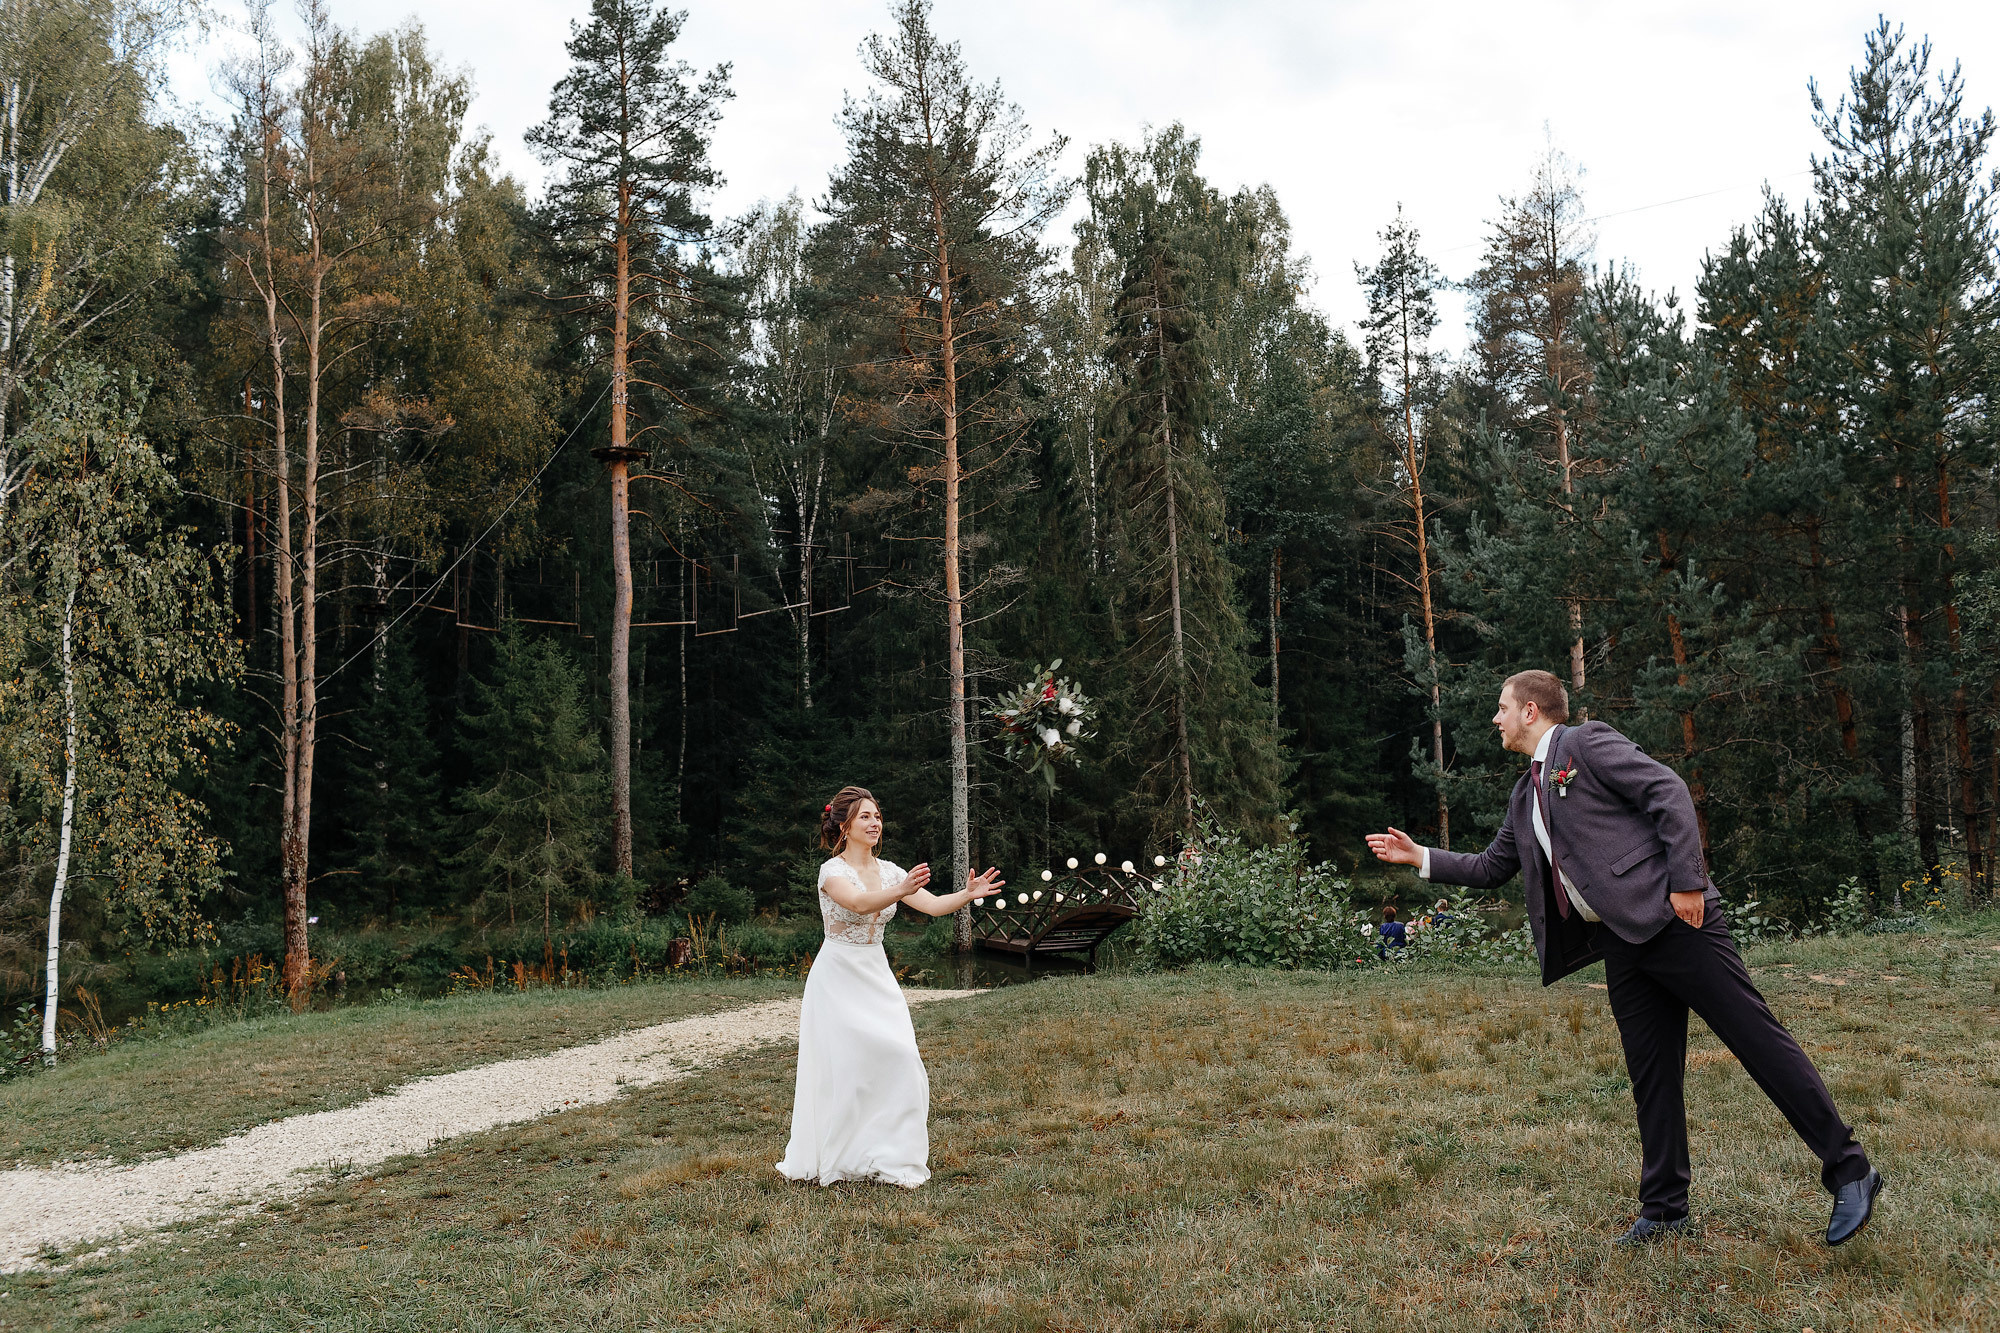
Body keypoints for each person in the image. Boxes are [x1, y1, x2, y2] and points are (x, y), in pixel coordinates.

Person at [1365, 670, 1881, 1247]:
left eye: (1502, 708)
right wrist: (1420, 857)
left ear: (1532, 711)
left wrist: (1687, 882)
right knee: (1651, 1075)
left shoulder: (1585, 743)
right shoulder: (1524, 794)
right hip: (1622, 944)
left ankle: (1850, 1169)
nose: (1496, 719)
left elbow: (1668, 791)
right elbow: (1492, 867)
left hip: (1677, 921)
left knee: (1756, 1041)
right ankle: (1664, 1211)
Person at [776, 785, 1003, 1188]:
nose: (875, 822)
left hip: (876, 974)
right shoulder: (832, 872)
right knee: (846, 1069)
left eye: (877, 816)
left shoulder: (891, 870)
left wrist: (966, 894)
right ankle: (840, 1155)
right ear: (844, 825)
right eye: (865, 816)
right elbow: (860, 905)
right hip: (838, 976)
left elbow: (931, 906)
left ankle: (890, 1155)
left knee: (900, 1056)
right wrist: (901, 890)